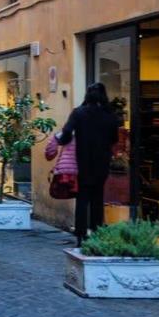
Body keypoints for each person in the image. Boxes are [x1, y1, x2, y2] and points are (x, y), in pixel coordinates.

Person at [56, 82, 120, 246]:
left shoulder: (78, 113)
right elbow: (114, 139)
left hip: (82, 162)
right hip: (102, 162)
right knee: (98, 198)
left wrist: (63, 140)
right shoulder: (110, 115)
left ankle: (80, 236)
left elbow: (66, 134)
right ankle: (97, 233)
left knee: (82, 199)